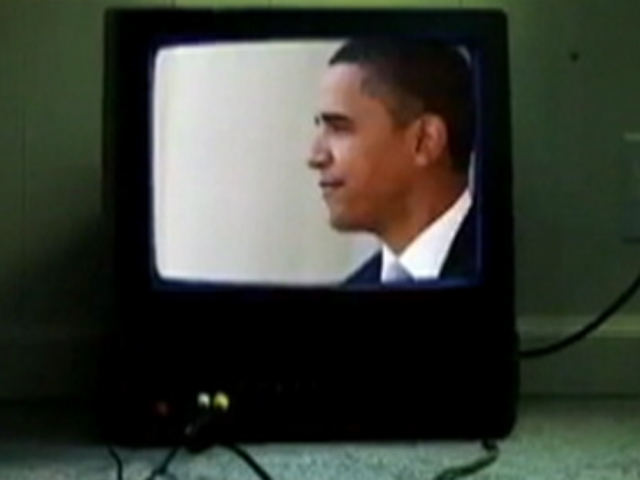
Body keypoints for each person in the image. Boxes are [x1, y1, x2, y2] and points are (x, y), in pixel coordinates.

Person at [307, 37, 477, 286]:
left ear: (425, 141)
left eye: (339, 128)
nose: (315, 157)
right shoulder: (354, 288)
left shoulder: (524, 273)